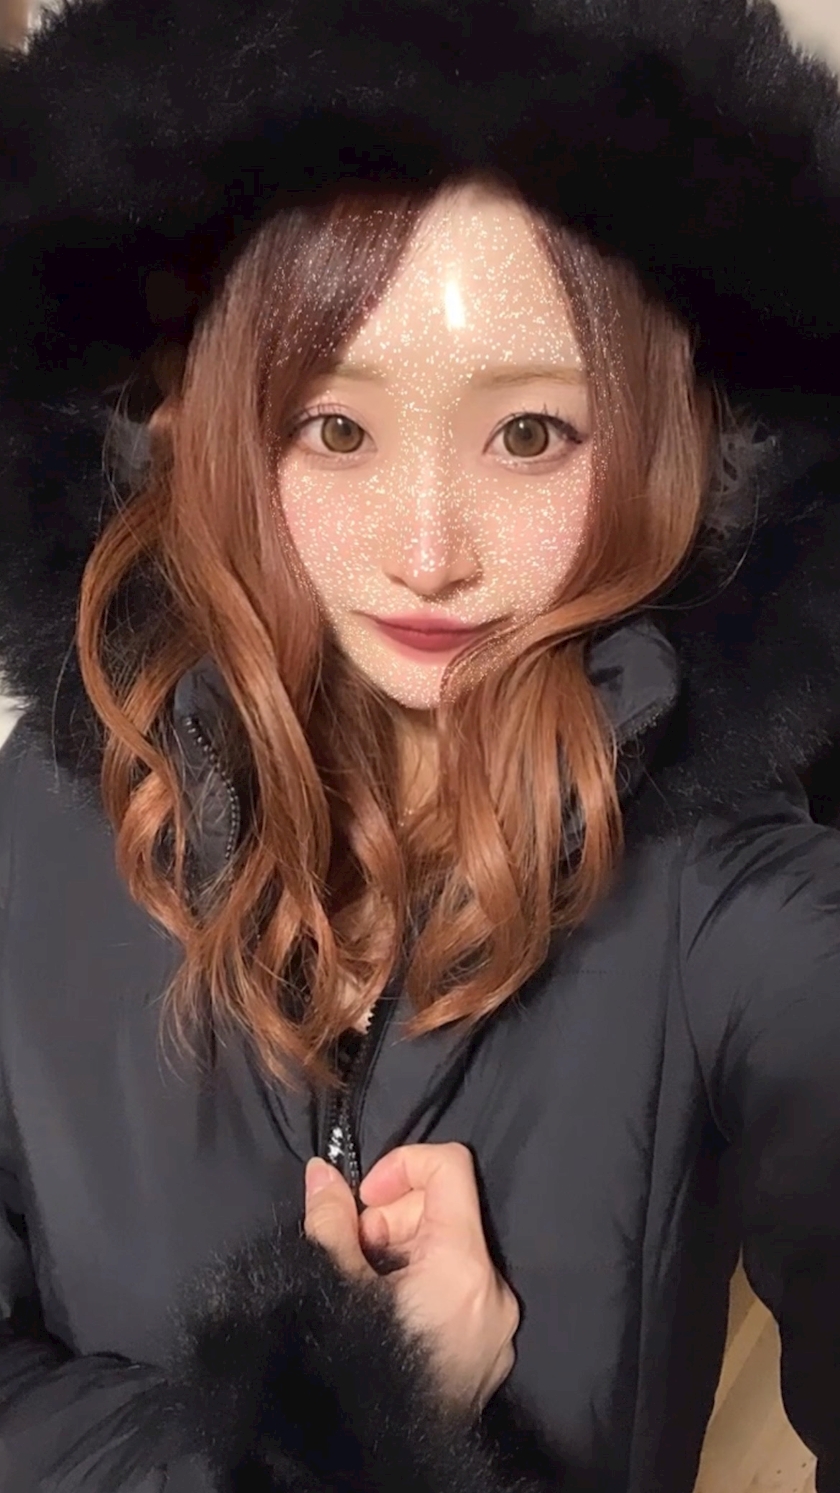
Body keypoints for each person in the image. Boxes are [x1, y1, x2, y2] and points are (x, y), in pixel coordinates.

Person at [2, 1, 840, 1490]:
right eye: (336, 429)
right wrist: (338, 1428)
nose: (430, 552)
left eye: (531, 434)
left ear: (673, 446)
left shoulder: (734, 904)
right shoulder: (49, 808)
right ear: (205, 427)